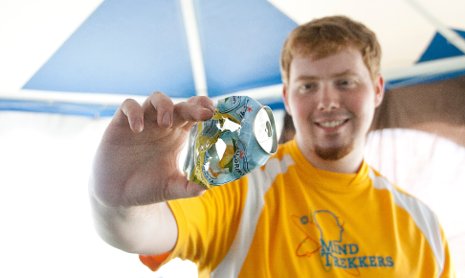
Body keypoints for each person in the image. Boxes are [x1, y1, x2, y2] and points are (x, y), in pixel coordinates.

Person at [89, 15, 455, 277]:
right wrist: (116, 201)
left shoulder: (420, 226)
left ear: (377, 90)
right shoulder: (243, 184)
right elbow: (143, 231)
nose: (327, 101)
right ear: (287, 97)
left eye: (345, 82)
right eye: (307, 85)